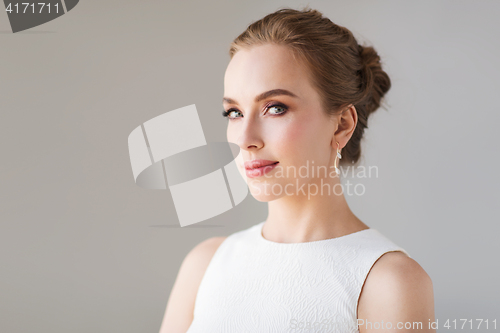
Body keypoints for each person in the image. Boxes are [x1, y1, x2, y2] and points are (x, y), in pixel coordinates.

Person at [159, 6, 435, 333]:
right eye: (233, 112)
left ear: (341, 125)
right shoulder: (205, 264)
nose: (245, 138)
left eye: (275, 108)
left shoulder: (387, 282)